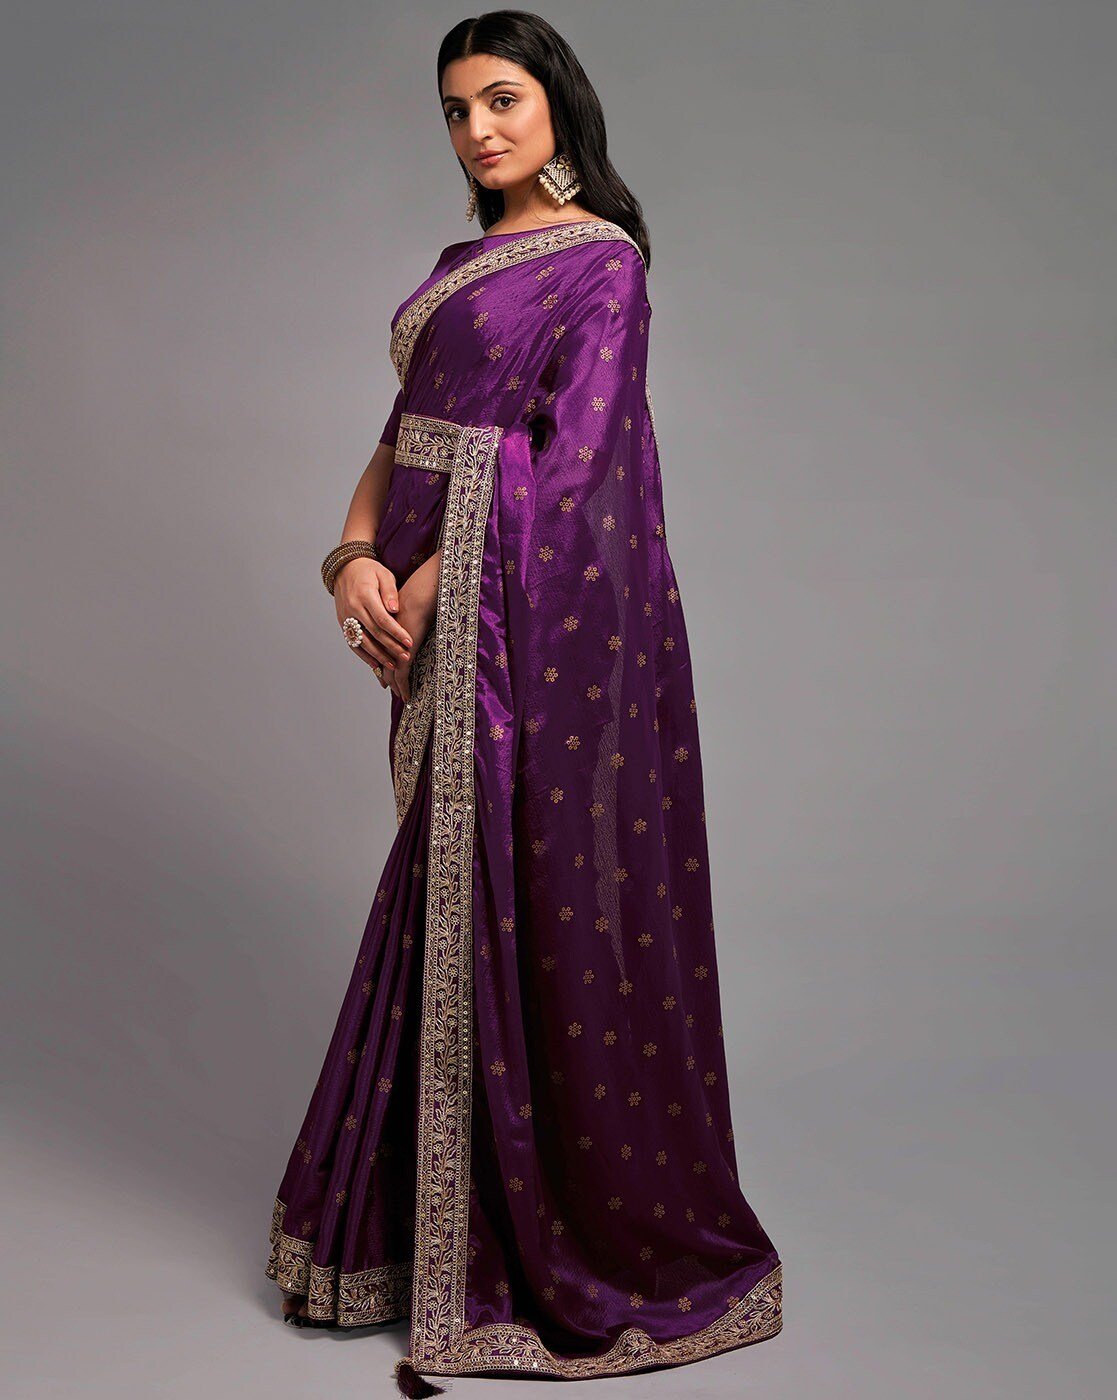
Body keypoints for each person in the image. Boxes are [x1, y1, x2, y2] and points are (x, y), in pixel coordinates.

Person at [264, 11, 782, 1394]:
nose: (477, 130)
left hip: (503, 622)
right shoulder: (459, 267)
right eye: (455, 110)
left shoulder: (602, 263)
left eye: (501, 99)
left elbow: (575, 461)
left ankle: (497, 1238)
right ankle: (402, 1233)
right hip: (418, 596)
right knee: (441, 883)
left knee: (492, 886)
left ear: (557, 102)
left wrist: (430, 584)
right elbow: (401, 439)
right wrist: (351, 556)